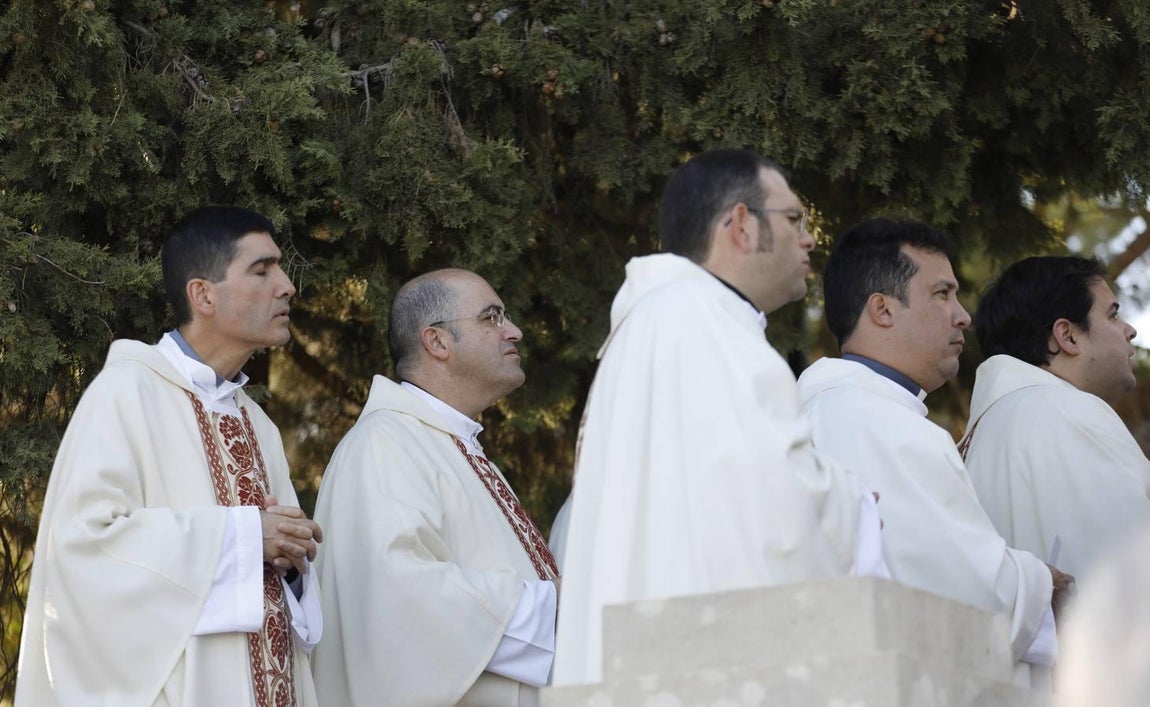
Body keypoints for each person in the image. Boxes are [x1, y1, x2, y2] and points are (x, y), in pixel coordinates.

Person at [552, 148, 888, 687]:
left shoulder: (662, 323)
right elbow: (773, 498)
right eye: (794, 219)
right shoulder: (707, 326)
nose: (808, 240)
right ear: (741, 225)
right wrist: (855, 505)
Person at [16, 206, 324, 706]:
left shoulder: (259, 425)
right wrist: (245, 537)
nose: (287, 286)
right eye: (262, 271)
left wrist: (289, 562)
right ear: (203, 295)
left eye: (281, 269)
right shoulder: (126, 393)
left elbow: (281, 595)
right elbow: (84, 549)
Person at [796, 217, 1069, 686]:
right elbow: (956, 588)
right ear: (883, 309)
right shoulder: (868, 420)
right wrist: (1044, 582)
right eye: (942, 294)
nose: (963, 316)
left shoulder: (851, 410)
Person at [311, 269, 559, 707]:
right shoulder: (384, 443)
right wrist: (552, 609)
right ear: (437, 342)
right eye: (492, 317)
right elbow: (400, 598)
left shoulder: (454, 446)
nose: (514, 331)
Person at [960, 256, 1150, 585]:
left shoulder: (979, 440)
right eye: (1112, 314)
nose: (1129, 330)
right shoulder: (1067, 412)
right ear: (1068, 336)